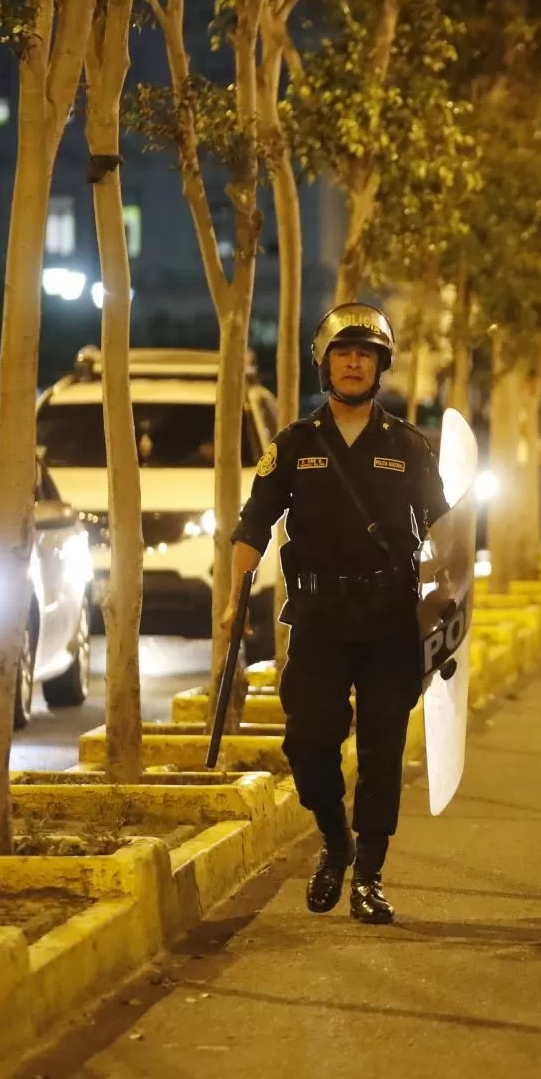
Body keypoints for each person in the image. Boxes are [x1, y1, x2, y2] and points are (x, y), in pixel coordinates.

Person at [224, 303, 449, 926]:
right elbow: (254, 523)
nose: (354, 363)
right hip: (319, 619)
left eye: (366, 354)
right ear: (324, 364)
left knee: (382, 753)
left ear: (381, 366)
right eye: (343, 353)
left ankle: (370, 875)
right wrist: (232, 595)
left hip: (389, 623)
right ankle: (335, 839)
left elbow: (444, 528)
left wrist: (446, 607)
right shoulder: (295, 443)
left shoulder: (408, 446)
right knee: (307, 742)